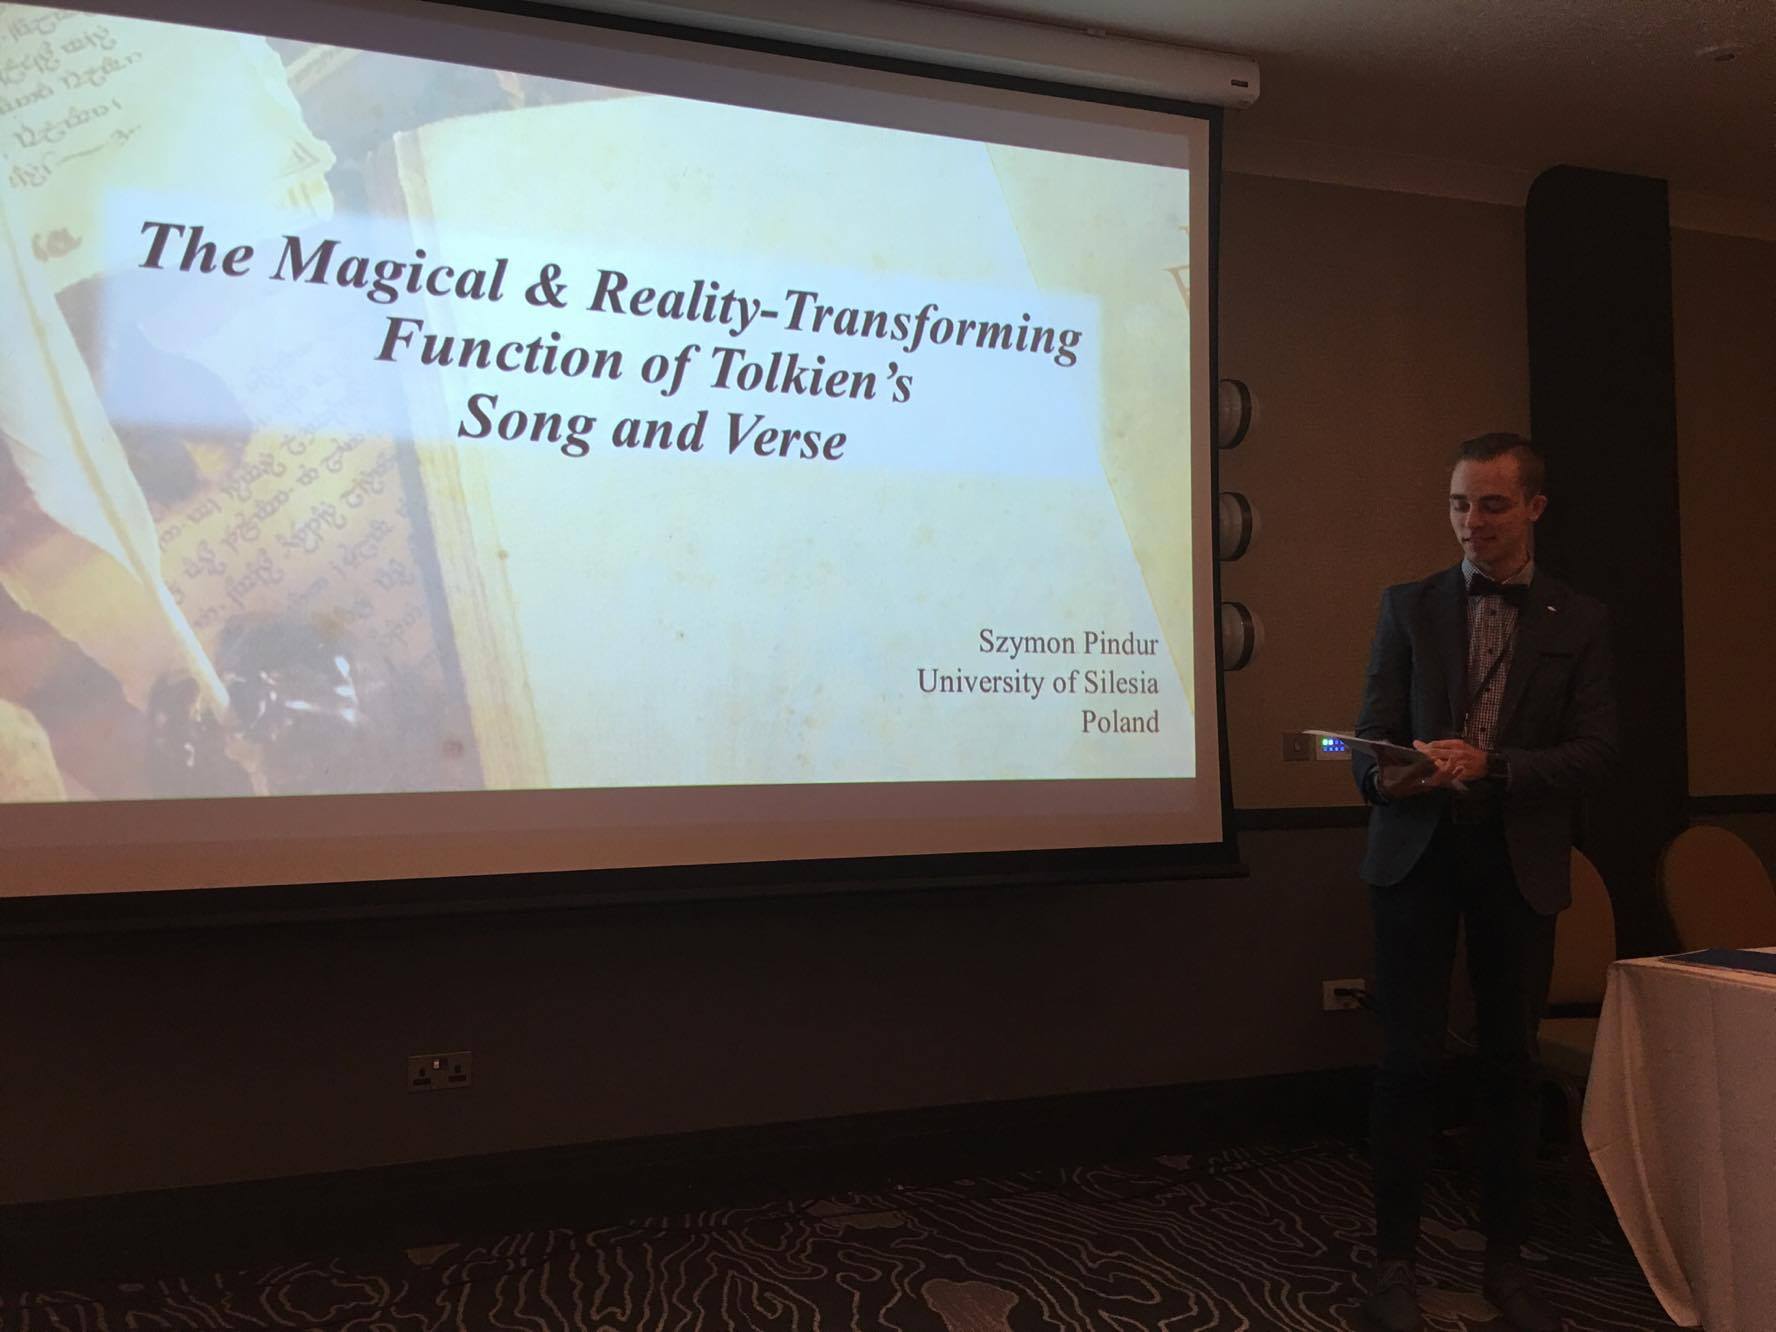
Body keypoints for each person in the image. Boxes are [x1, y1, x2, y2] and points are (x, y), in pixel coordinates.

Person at [1351, 433, 1618, 1332]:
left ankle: (1508, 1263)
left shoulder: (1581, 619)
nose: (1473, 522)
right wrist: (1389, 773)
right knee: (1407, 1061)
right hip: (1415, 856)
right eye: (1460, 504)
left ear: (1534, 508)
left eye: (1493, 505)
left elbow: (1597, 752)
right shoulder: (1408, 605)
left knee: (1511, 1064)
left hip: (1517, 861)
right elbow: (1367, 739)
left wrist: (1494, 766)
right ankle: (1394, 1265)